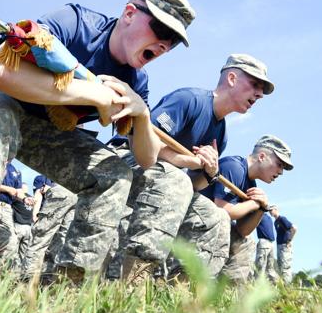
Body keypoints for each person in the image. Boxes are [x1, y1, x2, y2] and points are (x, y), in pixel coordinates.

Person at [0, 0, 195, 282]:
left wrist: (141, 114)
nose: (165, 45)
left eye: (174, 42)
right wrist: (91, 94)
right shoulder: (76, 23)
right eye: (162, 31)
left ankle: (67, 286)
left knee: (114, 174)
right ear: (130, 13)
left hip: (39, 126)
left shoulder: (136, 82)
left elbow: (147, 159)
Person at [117, 54, 274, 282]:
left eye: (262, 90)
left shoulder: (221, 133)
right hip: (128, 159)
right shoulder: (189, 99)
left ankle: (184, 289)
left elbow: (195, 184)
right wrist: (190, 161)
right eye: (254, 84)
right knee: (174, 180)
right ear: (231, 78)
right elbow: (144, 144)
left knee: (216, 217)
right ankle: (135, 281)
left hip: (169, 181)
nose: (259, 94)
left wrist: (209, 172)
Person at [204, 135, 293, 283]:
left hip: (211, 226)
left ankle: (231, 292)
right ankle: (203, 282)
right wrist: (255, 204)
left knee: (246, 242)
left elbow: (243, 231)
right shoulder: (234, 167)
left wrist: (261, 209)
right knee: (223, 224)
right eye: (279, 164)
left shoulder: (251, 185)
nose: (281, 172)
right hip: (194, 221)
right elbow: (222, 211)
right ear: (262, 156)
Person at [273, 206, 296, 283]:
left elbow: (294, 228)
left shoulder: (282, 219)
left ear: (276, 210)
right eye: (269, 211)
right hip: (279, 246)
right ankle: (283, 285)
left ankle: (288, 286)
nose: (270, 212)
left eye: (271, 210)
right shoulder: (275, 222)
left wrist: (290, 240)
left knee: (285, 267)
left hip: (285, 246)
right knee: (280, 266)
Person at [254, 210, 279, 282]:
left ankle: (257, 287)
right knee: (270, 269)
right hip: (271, 244)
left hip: (264, 243)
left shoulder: (259, 216)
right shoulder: (269, 218)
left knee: (260, 268)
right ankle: (278, 286)